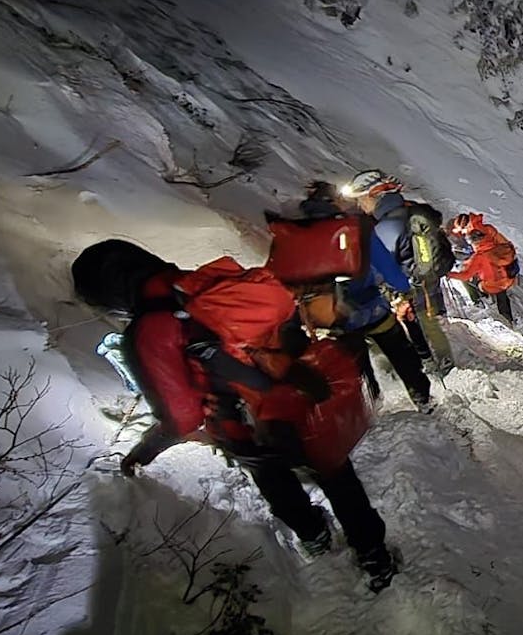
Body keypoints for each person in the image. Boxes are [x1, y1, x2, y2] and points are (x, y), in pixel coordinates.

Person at [72, 239, 397, 592]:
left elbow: (182, 416)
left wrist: (147, 449)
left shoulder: (150, 330)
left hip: (247, 426)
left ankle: (314, 536)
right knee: (338, 476)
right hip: (300, 398)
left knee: (274, 479)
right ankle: (374, 557)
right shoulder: (217, 280)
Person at [288, 181, 433, 411]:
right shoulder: (356, 228)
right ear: (334, 202)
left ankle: (370, 404)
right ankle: (422, 398)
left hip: (332, 314)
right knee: (401, 352)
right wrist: (404, 288)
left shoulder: (299, 234)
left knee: (357, 363)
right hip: (371, 308)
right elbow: (388, 267)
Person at [345, 170, 455, 369]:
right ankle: (443, 363)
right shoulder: (407, 211)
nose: (360, 205)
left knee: (408, 323)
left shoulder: (386, 227)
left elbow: (378, 269)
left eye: (361, 199)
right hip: (424, 280)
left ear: (374, 195)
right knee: (426, 323)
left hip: (410, 283)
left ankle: (428, 366)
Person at [447, 211, 520, 324]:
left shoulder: (479, 256)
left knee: (468, 279)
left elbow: (465, 275)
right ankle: (508, 319)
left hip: (492, 282)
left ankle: (479, 302)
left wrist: (449, 274)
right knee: (501, 292)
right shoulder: (490, 232)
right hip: (507, 275)